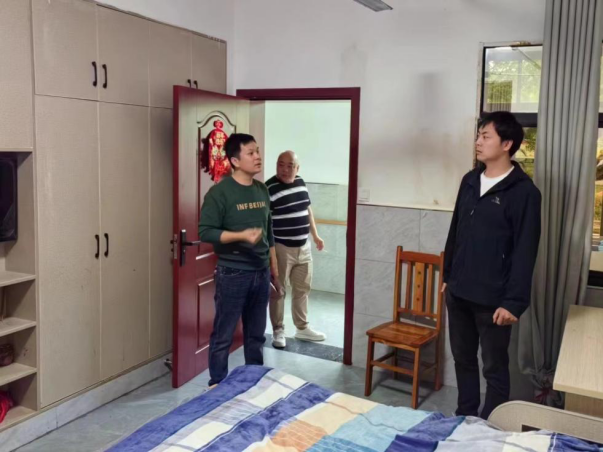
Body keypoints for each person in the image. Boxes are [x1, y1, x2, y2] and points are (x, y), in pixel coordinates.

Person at [443, 111, 541, 419]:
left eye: (486, 136)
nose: (478, 142)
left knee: (494, 368)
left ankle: (492, 428)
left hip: (494, 302)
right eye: (478, 136)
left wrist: (513, 303)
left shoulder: (524, 192)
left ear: (507, 144)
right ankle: (465, 418)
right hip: (458, 292)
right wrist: (447, 276)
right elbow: (455, 231)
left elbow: (525, 251)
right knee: (463, 360)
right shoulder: (470, 180)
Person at [199, 133, 278, 386]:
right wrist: (240, 235)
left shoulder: (262, 190)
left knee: (256, 335)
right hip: (233, 273)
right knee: (223, 334)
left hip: (261, 272)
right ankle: (217, 385)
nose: (258, 157)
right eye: (251, 153)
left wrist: (274, 268)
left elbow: (269, 231)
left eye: (258, 151)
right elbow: (205, 232)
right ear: (234, 160)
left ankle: (253, 382)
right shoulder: (219, 193)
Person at [265, 151, 326, 349]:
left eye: (290, 165)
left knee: (302, 289)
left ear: (297, 168)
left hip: (304, 246)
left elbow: (307, 210)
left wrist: (315, 235)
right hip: (282, 248)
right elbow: (265, 223)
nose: (285, 169)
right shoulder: (268, 188)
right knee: (278, 291)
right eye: (280, 164)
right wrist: (270, 254)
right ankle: (278, 330)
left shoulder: (300, 183)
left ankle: (302, 327)